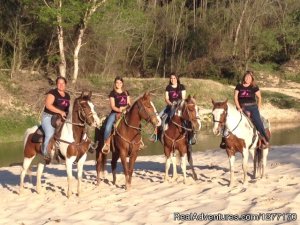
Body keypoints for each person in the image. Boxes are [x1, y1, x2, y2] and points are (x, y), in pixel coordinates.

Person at [220, 71, 269, 149]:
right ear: (244, 77)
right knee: (228, 120)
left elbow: (259, 97)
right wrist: (238, 107)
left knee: (258, 121)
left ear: (252, 79)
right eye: (246, 77)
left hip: (253, 107)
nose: (247, 78)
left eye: (249, 77)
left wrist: (258, 107)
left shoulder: (254, 86)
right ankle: (224, 140)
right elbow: (235, 97)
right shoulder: (239, 86)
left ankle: (264, 139)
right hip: (242, 107)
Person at [41, 76, 70, 160]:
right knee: (50, 134)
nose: (61, 85)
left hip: (61, 118)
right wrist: (60, 112)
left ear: (65, 84)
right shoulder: (52, 93)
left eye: (62, 83)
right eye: (59, 83)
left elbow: (67, 109)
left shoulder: (67, 96)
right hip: (49, 117)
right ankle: (46, 153)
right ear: (56, 84)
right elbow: (48, 105)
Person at [102, 76, 131, 154]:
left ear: (122, 83)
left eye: (120, 83)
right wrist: (119, 110)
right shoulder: (112, 93)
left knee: (136, 122)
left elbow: (129, 104)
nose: (119, 84)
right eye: (117, 82)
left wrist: (124, 109)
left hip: (126, 112)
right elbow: (112, 106)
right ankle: (107, 143)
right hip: (115, 112)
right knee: (108, 127)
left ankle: (139, 141)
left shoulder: (126, 92)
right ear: (115, 84)